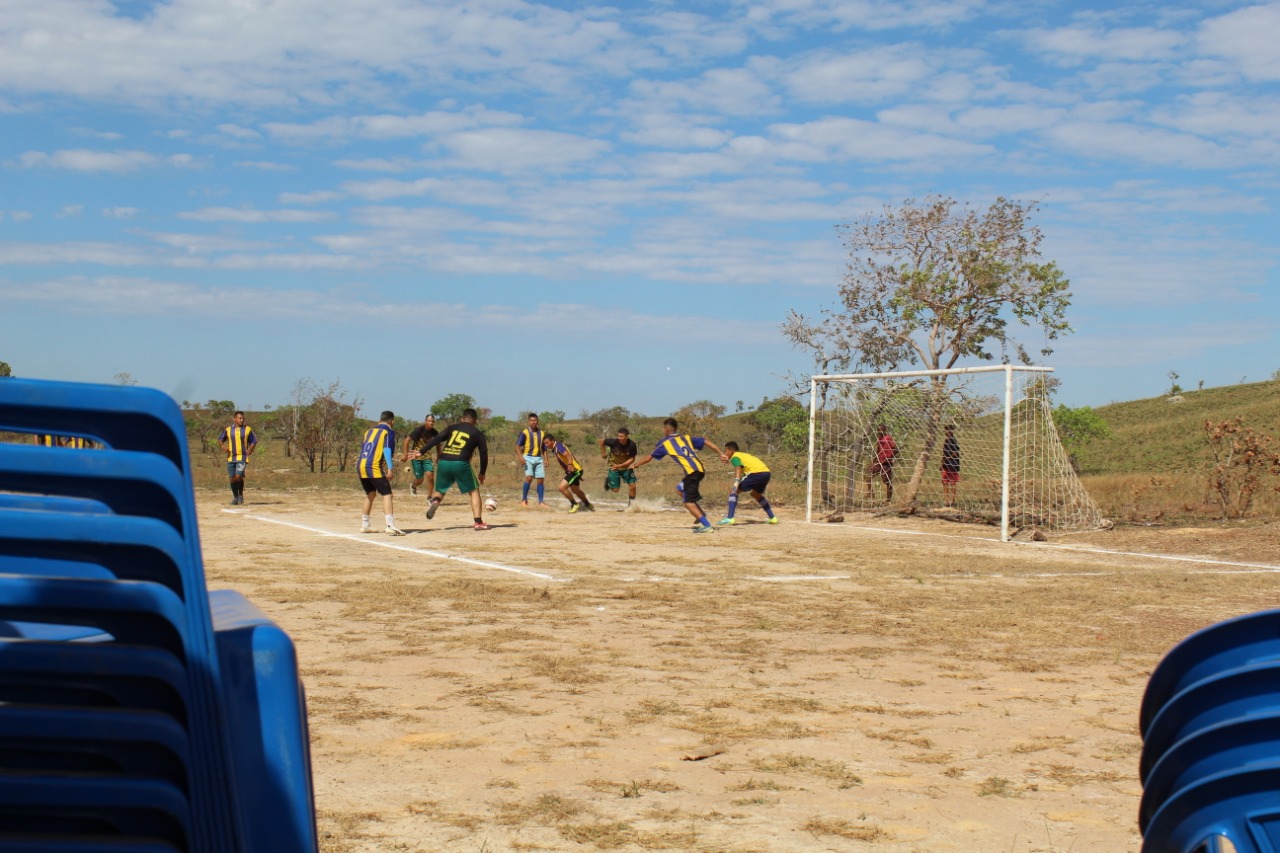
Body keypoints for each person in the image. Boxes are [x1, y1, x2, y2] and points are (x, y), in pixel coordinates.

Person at [627, 417, 723, 533]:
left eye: (664, 428)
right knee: (679, 490)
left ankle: (707, 525)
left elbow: (648, 458)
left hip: (693, 473)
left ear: (667, 429)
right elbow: (705, 441)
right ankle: (700, 513)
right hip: (699, 470)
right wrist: (721, 454)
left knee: (688, 503)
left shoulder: (666, 443)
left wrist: (635, 465)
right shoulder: (686, 438)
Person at [417, 408, 491, 530]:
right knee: (474, 491)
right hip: (461, 462)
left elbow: (437, 439)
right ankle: (478, 522)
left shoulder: (453, 427)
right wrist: (482, 472)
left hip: (444, 461)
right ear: (475, 421)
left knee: (440, 490)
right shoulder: (477, 433)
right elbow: (484, 453)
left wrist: (421, 451)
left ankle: (435, 502)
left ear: (462, 419)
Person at [357, 410, 404, 535]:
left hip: (361, 465)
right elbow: (387, 450)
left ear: (379, 421)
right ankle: (390, 525)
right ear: (392, 422)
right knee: (387, 494)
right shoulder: (387, 431)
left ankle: (365, 524)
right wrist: (390, 467)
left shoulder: (369, 431)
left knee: (371, 494)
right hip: (373, 466)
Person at [718, 442, 778, 525]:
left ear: (731, 451)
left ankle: (730, 518)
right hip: (766, 473)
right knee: (755, 494)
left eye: (726, 451)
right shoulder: (742, 455)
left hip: (756, 473)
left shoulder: (735, 457)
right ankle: (772, 518)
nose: (725, 453)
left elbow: (738, 467)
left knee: (733, 492)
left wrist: (736, 483)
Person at [543, 433, 594, 512]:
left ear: (552, 441)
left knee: (561, 487)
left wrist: (570, 465)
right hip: (574, 470)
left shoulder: (558, 446)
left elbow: (568, 455)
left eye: (547, 443)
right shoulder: (556, 447)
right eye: (545, 444)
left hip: (574, 470)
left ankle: (574, 504)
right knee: (575, 490)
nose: (546, 445)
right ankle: (588, 504)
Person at [219, 410, 257, 506]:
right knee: (232, 479)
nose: (242, 420)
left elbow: (254, 441)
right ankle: (235, 497)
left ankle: (240, 494)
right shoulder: (228, 430)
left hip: (242, 457)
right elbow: (220, 439)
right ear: (234, 419)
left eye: (243, 418)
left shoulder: (247, 429)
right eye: (240, 418)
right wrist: (223, 446)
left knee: (238, 476)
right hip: (231, 457)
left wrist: (251, 449)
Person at [403, 413, 438, 497]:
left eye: (432, 421)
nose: (431, 423)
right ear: (425, 421)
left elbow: (438, 444)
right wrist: (405, 454)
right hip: (416, 458)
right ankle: (413, 486)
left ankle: (429, 497)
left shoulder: (434, 432)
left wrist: (439, 455)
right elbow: (407, 440)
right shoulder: (419, 430)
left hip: (427, 457)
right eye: (429, 421)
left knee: (430, 476)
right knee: (420, 480)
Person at [600, 427, 638, 506]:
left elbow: (632, 459)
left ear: (627, 437)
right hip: (613, 467)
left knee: (633, 486)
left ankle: (631, 505)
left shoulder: (632, 444)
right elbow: (601, 441)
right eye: (618, 436)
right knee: (616, 490)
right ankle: (608, 482)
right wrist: (603, 453)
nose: (619, 438)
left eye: (621, 436)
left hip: (626, 467)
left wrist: (620, 465)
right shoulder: (613, 442)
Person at [516, 413, 548, 508]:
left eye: (535, 420)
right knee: (529, 478)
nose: (533, 422)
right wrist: (521, 457)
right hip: (528, 458)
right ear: (529, 421)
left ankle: (541, 502)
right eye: (531, 420)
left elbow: (544, 448)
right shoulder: (525, 432)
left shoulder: (542, 433)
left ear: (537, 421)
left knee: (540, 480)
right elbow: (517, 446)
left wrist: (546, 459)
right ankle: (524, 500)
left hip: (538, 458)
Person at [870, 423, 898, 503]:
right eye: (878, 430)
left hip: (886, 463)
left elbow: (896, 450)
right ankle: (870, 494)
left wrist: (889, 457)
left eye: (882, 429)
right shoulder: (879, 439)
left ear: (885, 430)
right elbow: (878, 451)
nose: (880, 431)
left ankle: (888, 500)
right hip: (879, 462)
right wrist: (873, 461)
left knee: (887, 481)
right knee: (868, 474)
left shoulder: (888, 438)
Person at [940, 423, 961, 507]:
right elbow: (944, 453)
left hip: (952, 464)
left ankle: (952, 500)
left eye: (948, 430)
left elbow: (956, 452)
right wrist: (942, 462)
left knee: (952, 482)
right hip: (946, 464)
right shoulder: (946, 440)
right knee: (944, 481)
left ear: (951, 431)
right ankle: (946, 500)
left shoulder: (953, 440)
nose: (946, 431)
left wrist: (946, 459)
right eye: (946, 430)